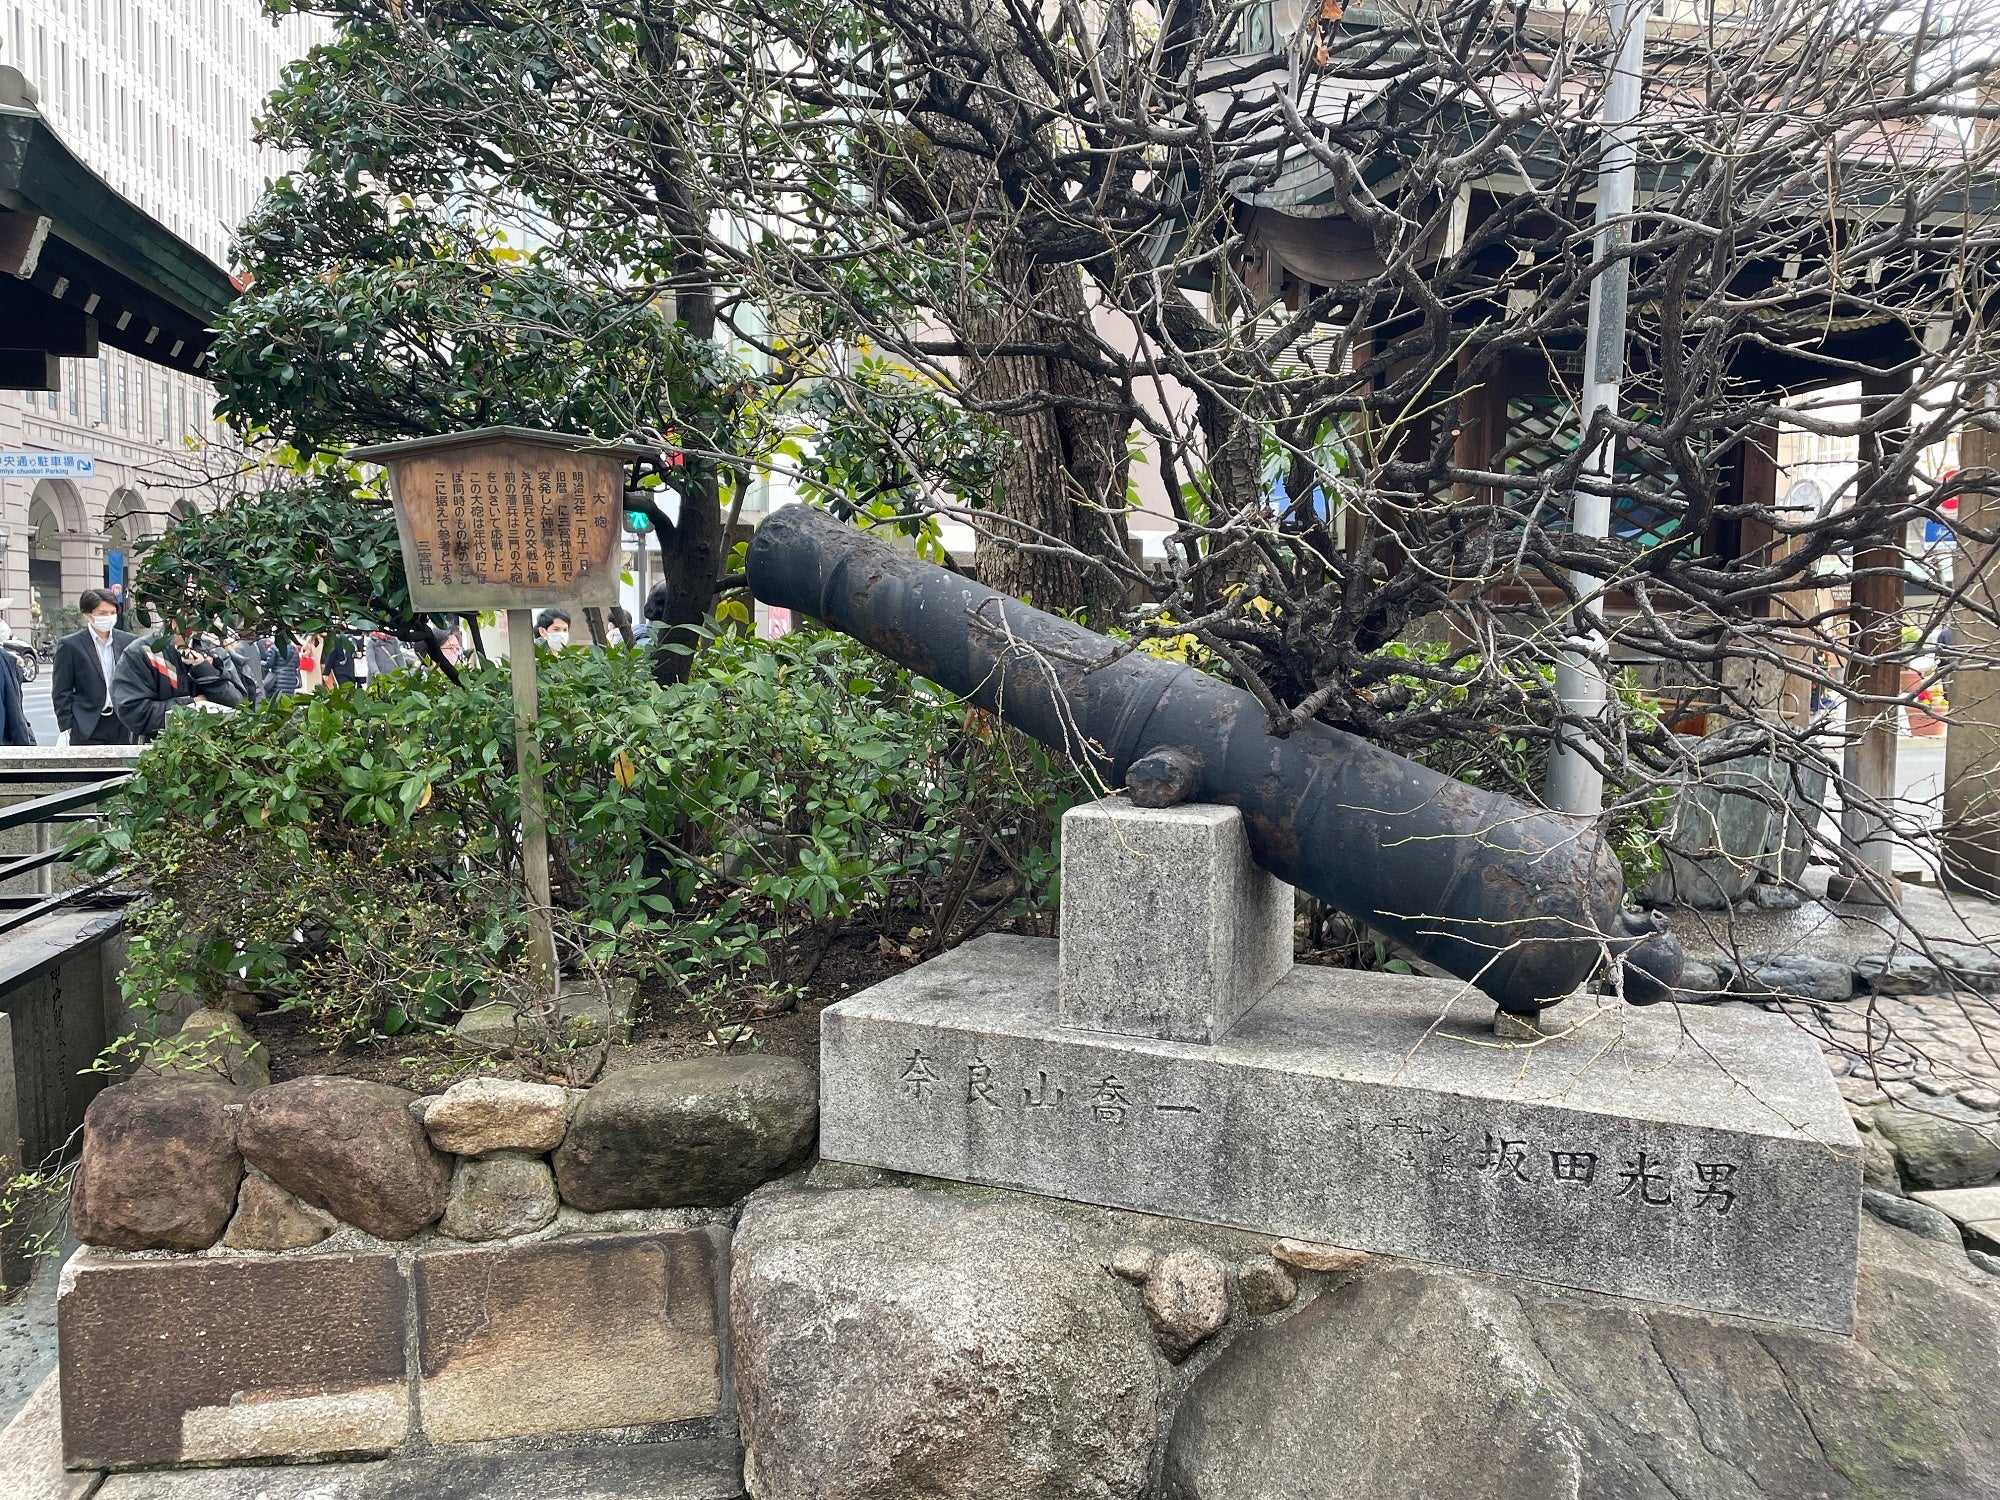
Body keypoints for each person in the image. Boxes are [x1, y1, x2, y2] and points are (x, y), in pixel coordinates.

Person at [111, 627, 250, 741]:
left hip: (216, 753)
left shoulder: (214, 650)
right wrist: (191, 705)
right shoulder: (141, 652)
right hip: (162, 754)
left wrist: (204, 669)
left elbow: (239, 705)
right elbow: (134, 713)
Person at [52, 590, 137, 746]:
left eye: (112, 612)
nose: (109, 617)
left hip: (122, 723)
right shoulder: (71, 645)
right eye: (102, 613)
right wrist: (68, 725)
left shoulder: (128, 642)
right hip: (86, 725)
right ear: (87, 614)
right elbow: (61, 690)